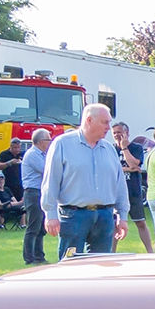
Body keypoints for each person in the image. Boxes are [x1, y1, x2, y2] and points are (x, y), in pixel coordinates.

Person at [42, 103, 129, 259]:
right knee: (71, 266)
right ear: (89, 120)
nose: (109, 128)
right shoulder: (62, 144)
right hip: (74, 215)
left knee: (102, 265)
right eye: (105, 122)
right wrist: (50, 214)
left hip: (105, 216)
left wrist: (122, 216)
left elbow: (119, 185)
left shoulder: (109, 149)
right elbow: (51, 181)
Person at [111, 122, 154, 253]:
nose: (117, 135)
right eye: (114, 133)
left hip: (133, 192)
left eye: (120, 132)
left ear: (127, 133)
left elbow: (135, 165)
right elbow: (110, 169)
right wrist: (126, 168)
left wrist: (124, 148)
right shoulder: (110, 149)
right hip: (115, 192)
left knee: (140, 222)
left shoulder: (136, 148)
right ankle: (111, 253)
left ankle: (150, 252)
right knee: (114, 225)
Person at [20, 128, 53, 264]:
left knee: (40, 228)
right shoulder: (32, 154)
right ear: (40, 141)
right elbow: (47, 170)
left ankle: (39, 256)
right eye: (48, 140)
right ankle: (29, 258)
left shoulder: (42, 154)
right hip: (33, 193)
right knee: (33, 227)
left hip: (40, 192)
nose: (50, 142)